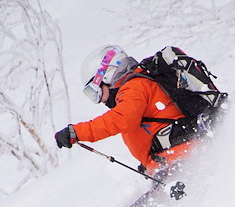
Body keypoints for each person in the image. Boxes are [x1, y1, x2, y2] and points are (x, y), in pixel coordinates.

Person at [54, 45, 197, 175]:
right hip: (170, 160)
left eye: (95, 92)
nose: (100, 101)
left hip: (179, 157)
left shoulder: (133, 87)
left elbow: (122, 119)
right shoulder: (135, 86)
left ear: (106, 76)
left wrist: (76, 132)